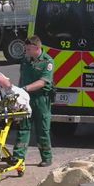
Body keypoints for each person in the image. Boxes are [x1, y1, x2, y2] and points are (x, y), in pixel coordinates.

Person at [11, 35, 54, 167]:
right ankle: (18, 158)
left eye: (29, 49)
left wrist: (24, 88)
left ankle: (46, 158)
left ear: (37, 48)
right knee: (23, 127)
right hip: (25, 99)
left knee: (42, 130)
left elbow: (43, 82)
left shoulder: (47, 62)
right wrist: (18, 92)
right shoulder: (25, 61)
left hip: (41, 99)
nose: (27, 52)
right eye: (26, 49)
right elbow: (22, 77)